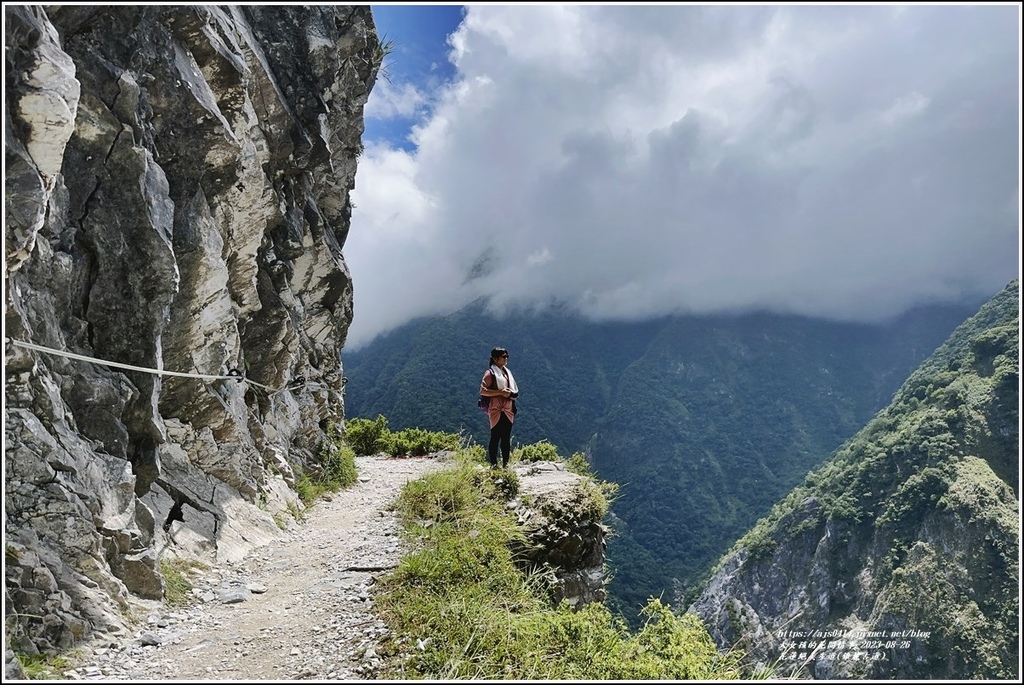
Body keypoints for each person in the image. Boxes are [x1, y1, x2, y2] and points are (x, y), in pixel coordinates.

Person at [480, 346, 519, 468]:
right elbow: (483, 391)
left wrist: (509, 394)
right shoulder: (490, 373)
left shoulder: (507, 372)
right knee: (495, 436)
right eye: (503, 356)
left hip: (508, 408)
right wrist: (501, 392)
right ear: (496, 359)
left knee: (506, 437)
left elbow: (515, 391)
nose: (506, 358)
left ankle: (506, 464)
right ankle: (494, 464)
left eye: (507, 356)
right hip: (496, 408)